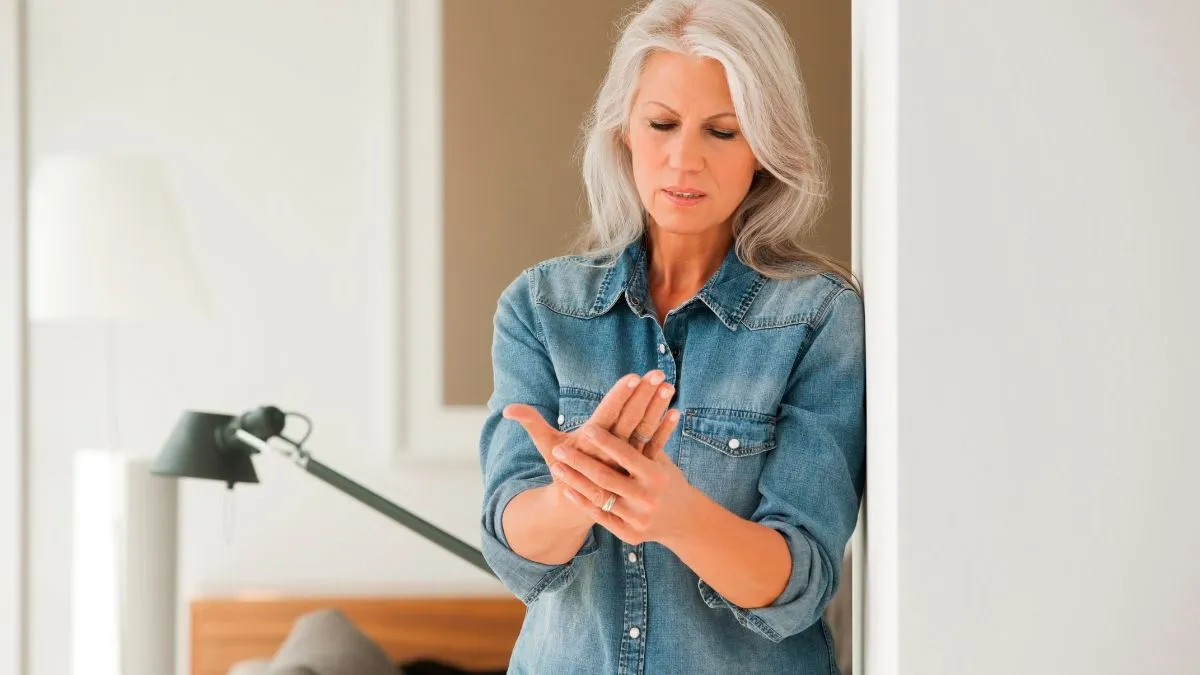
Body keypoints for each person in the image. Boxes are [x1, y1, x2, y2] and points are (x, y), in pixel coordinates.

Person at [477, 0, 866, 672]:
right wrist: (576, 495)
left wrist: (677, 514)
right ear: (624, 131)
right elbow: (511, 542)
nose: (684, 159)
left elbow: (800, 582)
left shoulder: (819, 317)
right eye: (662, 123)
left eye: (722, 131)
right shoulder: (542, 305)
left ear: (764, 149)